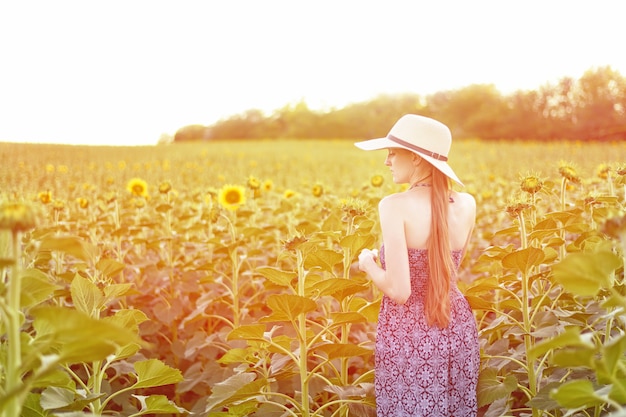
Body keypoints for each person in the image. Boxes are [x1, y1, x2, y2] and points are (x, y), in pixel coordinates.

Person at [355, 114, 479, 417]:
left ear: (418, 159)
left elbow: (399, 291)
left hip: (409, 334)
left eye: (393, 152)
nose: (387, 161)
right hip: (456, 325)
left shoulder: (394, 205)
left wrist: (368, 263)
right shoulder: (467, 203)